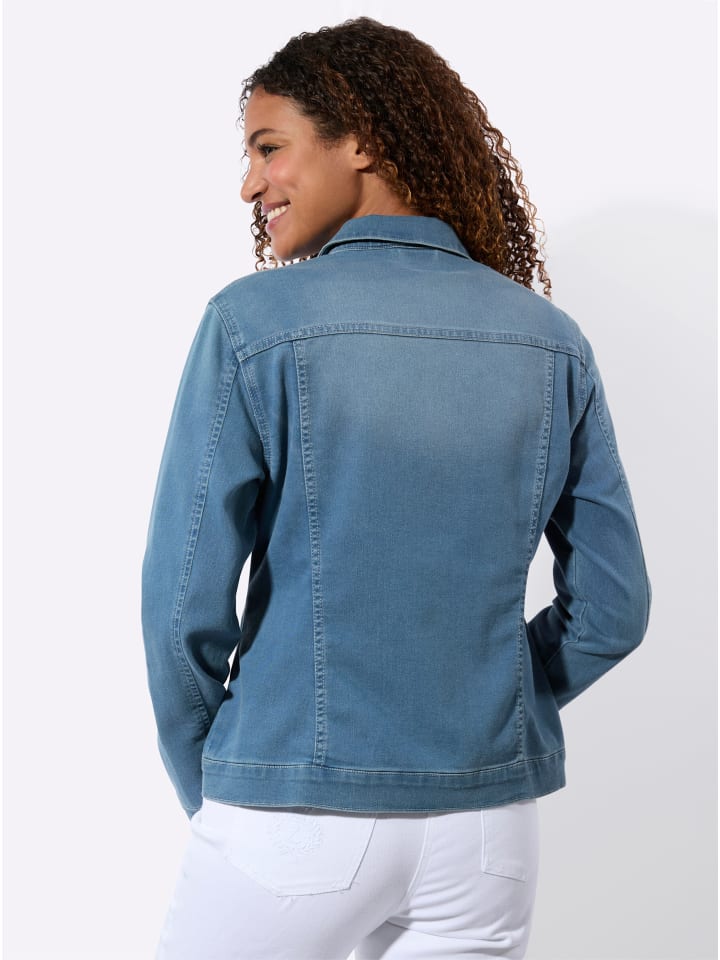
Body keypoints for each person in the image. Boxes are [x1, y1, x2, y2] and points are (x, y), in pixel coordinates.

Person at [142, 17, 650, 960]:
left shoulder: (253, 323)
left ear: (363, 140)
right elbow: (614, 611)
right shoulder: (551, 340)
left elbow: (181, 611)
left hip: (289, 808)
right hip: (488, 833)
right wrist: (491, 707)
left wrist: (221, 783)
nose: (250, 183)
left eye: (268, 148)